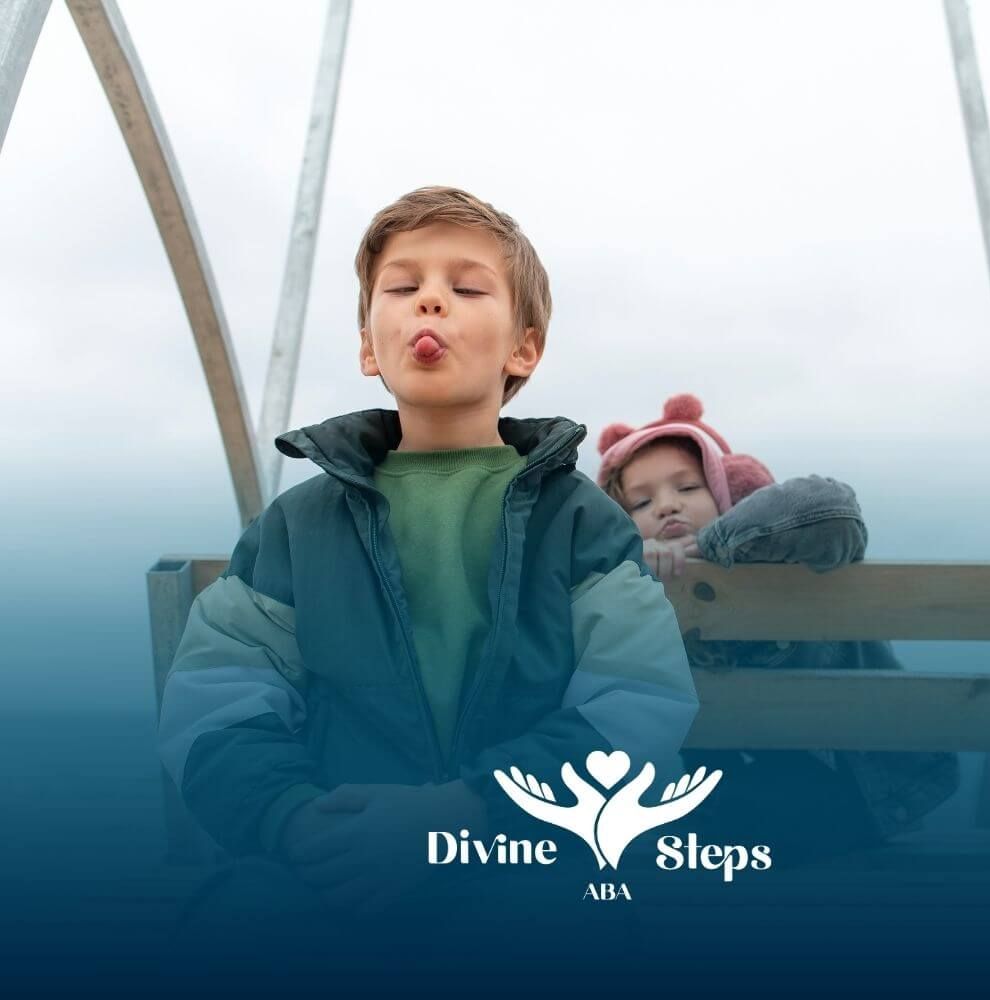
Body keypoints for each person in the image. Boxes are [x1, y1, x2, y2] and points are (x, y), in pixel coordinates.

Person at [155, 188, 697, 966]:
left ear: (524, 350)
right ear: (371, 347)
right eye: (402, 288)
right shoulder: (295, 528)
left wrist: (463, 816)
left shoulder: (579, 522)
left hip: (527, 857)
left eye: (467, 287)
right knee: (239, 922)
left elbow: (637, 704)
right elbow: (218, 704)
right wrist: (297, 822)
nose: (431, 301)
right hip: (328, 866)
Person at [596, 393, 960, 864]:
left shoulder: (790, 558)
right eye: (642, 502)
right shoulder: (639, 597)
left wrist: (709, 545)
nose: (666, 507)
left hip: (858, 788)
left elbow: (833, 508)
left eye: (687, 489)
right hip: (753, 794)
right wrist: (631, 566)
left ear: (732, 491)